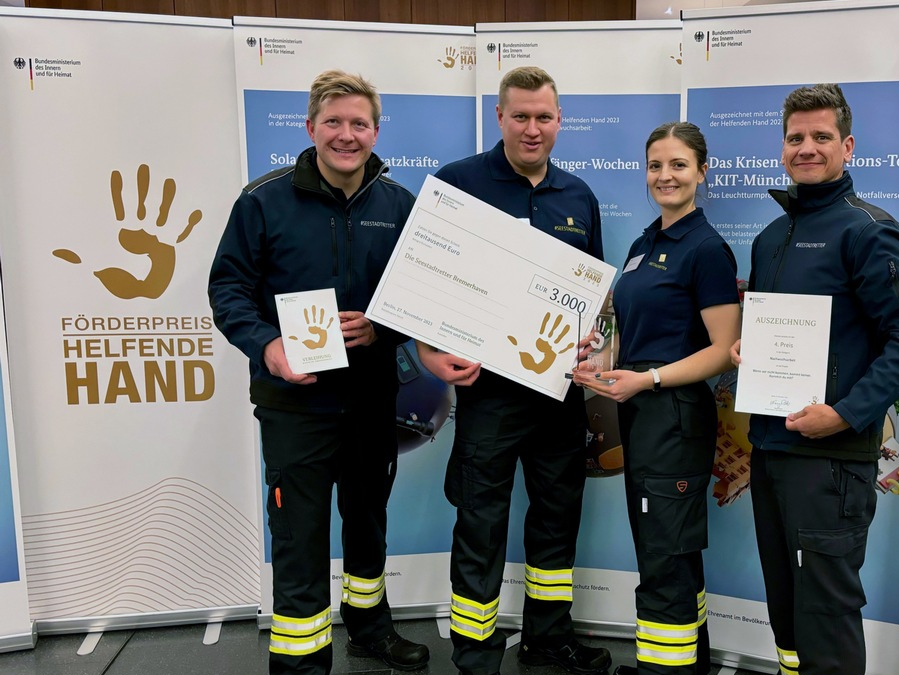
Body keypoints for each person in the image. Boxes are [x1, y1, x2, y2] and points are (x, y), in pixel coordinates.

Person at [208, 70, 428, 675]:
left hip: (371, 399)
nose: (346, 135)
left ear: (376, 131)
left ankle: (370, 628)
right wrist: (267, 346)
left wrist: (383, 330)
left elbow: (421, 297)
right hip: (294, 404)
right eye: (334, 122)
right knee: (299, 536)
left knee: (367, 521)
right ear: (310, 128)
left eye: (359, 123)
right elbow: (227, 288)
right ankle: (302, 663)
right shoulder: (262, 200)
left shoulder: (399, 205)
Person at [730, 83, 899, 675]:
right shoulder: (773, 237)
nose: (807, 147)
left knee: (826, 614)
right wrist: (752, 345)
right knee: (788, 614)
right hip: (770, 447)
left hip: (830, 458)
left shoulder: (869, 232)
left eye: (821, 136)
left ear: (847, 146)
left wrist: (846, 413)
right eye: (796, 137)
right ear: (782, 148)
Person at [417, 66, 610, 675]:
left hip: (558, 396)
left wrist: (595, 341)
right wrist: (428, 352)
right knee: (481, 524)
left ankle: (547, 642)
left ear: (560, 121)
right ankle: (475, 657)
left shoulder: (579, 196)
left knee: (557, 522)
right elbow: (421, 283)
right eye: (520, 116)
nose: (532, 129)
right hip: (489, 395)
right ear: (499, 116)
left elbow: (594, 298)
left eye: (544, 117)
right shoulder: (457, 183)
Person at [574, 122, 740, 675]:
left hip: (672, 414)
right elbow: (634, 332)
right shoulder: (645, 243)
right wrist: (602, 366)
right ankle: (685, 667)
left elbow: (721, 351)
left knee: (665, 555)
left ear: (701, 171)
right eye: (655, 165)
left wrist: (647, 381)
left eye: (677, 165)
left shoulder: (706, 249)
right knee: (667, 547)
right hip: (642, 412)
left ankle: (662, 671)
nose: (664, 176)